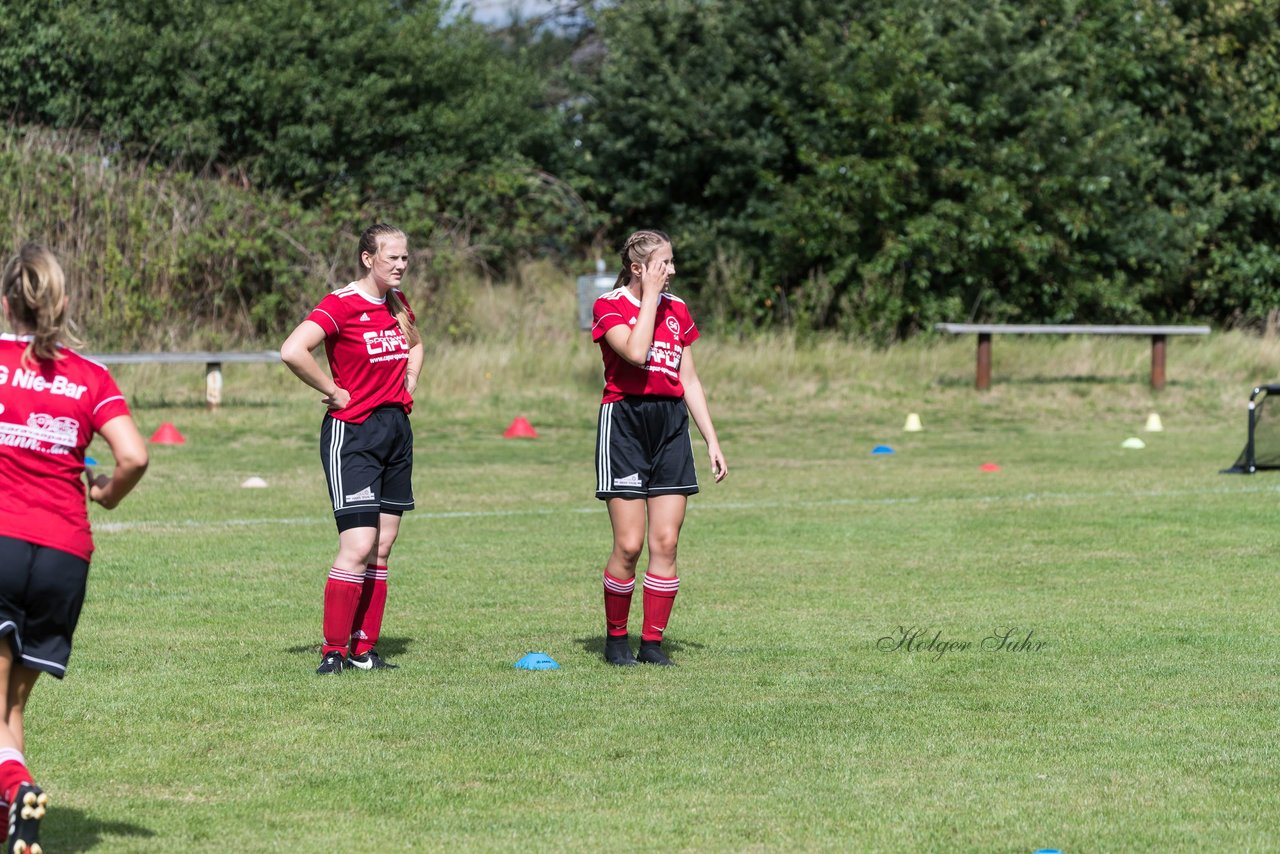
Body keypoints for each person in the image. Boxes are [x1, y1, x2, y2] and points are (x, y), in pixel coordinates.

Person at [0, 243, 149, 851]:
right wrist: (107, 493)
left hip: (4, 541)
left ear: (9, 302)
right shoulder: (91, 377)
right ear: (61, 303)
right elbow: (134, 456)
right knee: (11, 707)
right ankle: (13, 824)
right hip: (65, 554)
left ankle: (16, 787)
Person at [281, 224, 423, 675]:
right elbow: (292, 350)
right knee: (358, 544)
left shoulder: (397, 304)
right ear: (368, 258)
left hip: (395, 431)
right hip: (354, 434)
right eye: (392, 257)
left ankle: (363, 650)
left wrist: (411, 381)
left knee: (382, 547)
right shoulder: (341, 303)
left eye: (404, 258)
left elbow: (416, 347)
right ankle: (332, 652)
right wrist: (332, 390)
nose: (400, 265)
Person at [589, 229, 727, 666]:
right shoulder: (609, 306)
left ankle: (651, 645)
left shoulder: (679, 309)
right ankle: (615, 640)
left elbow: (688, 379)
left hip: (670, 426)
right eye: (663, 263)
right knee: (629, 545)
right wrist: (648, 296)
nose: (672, 271)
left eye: (671, 262)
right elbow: (635, 351)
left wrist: (711, 440)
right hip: (626, 423)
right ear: (638, 268)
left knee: (665, 542)